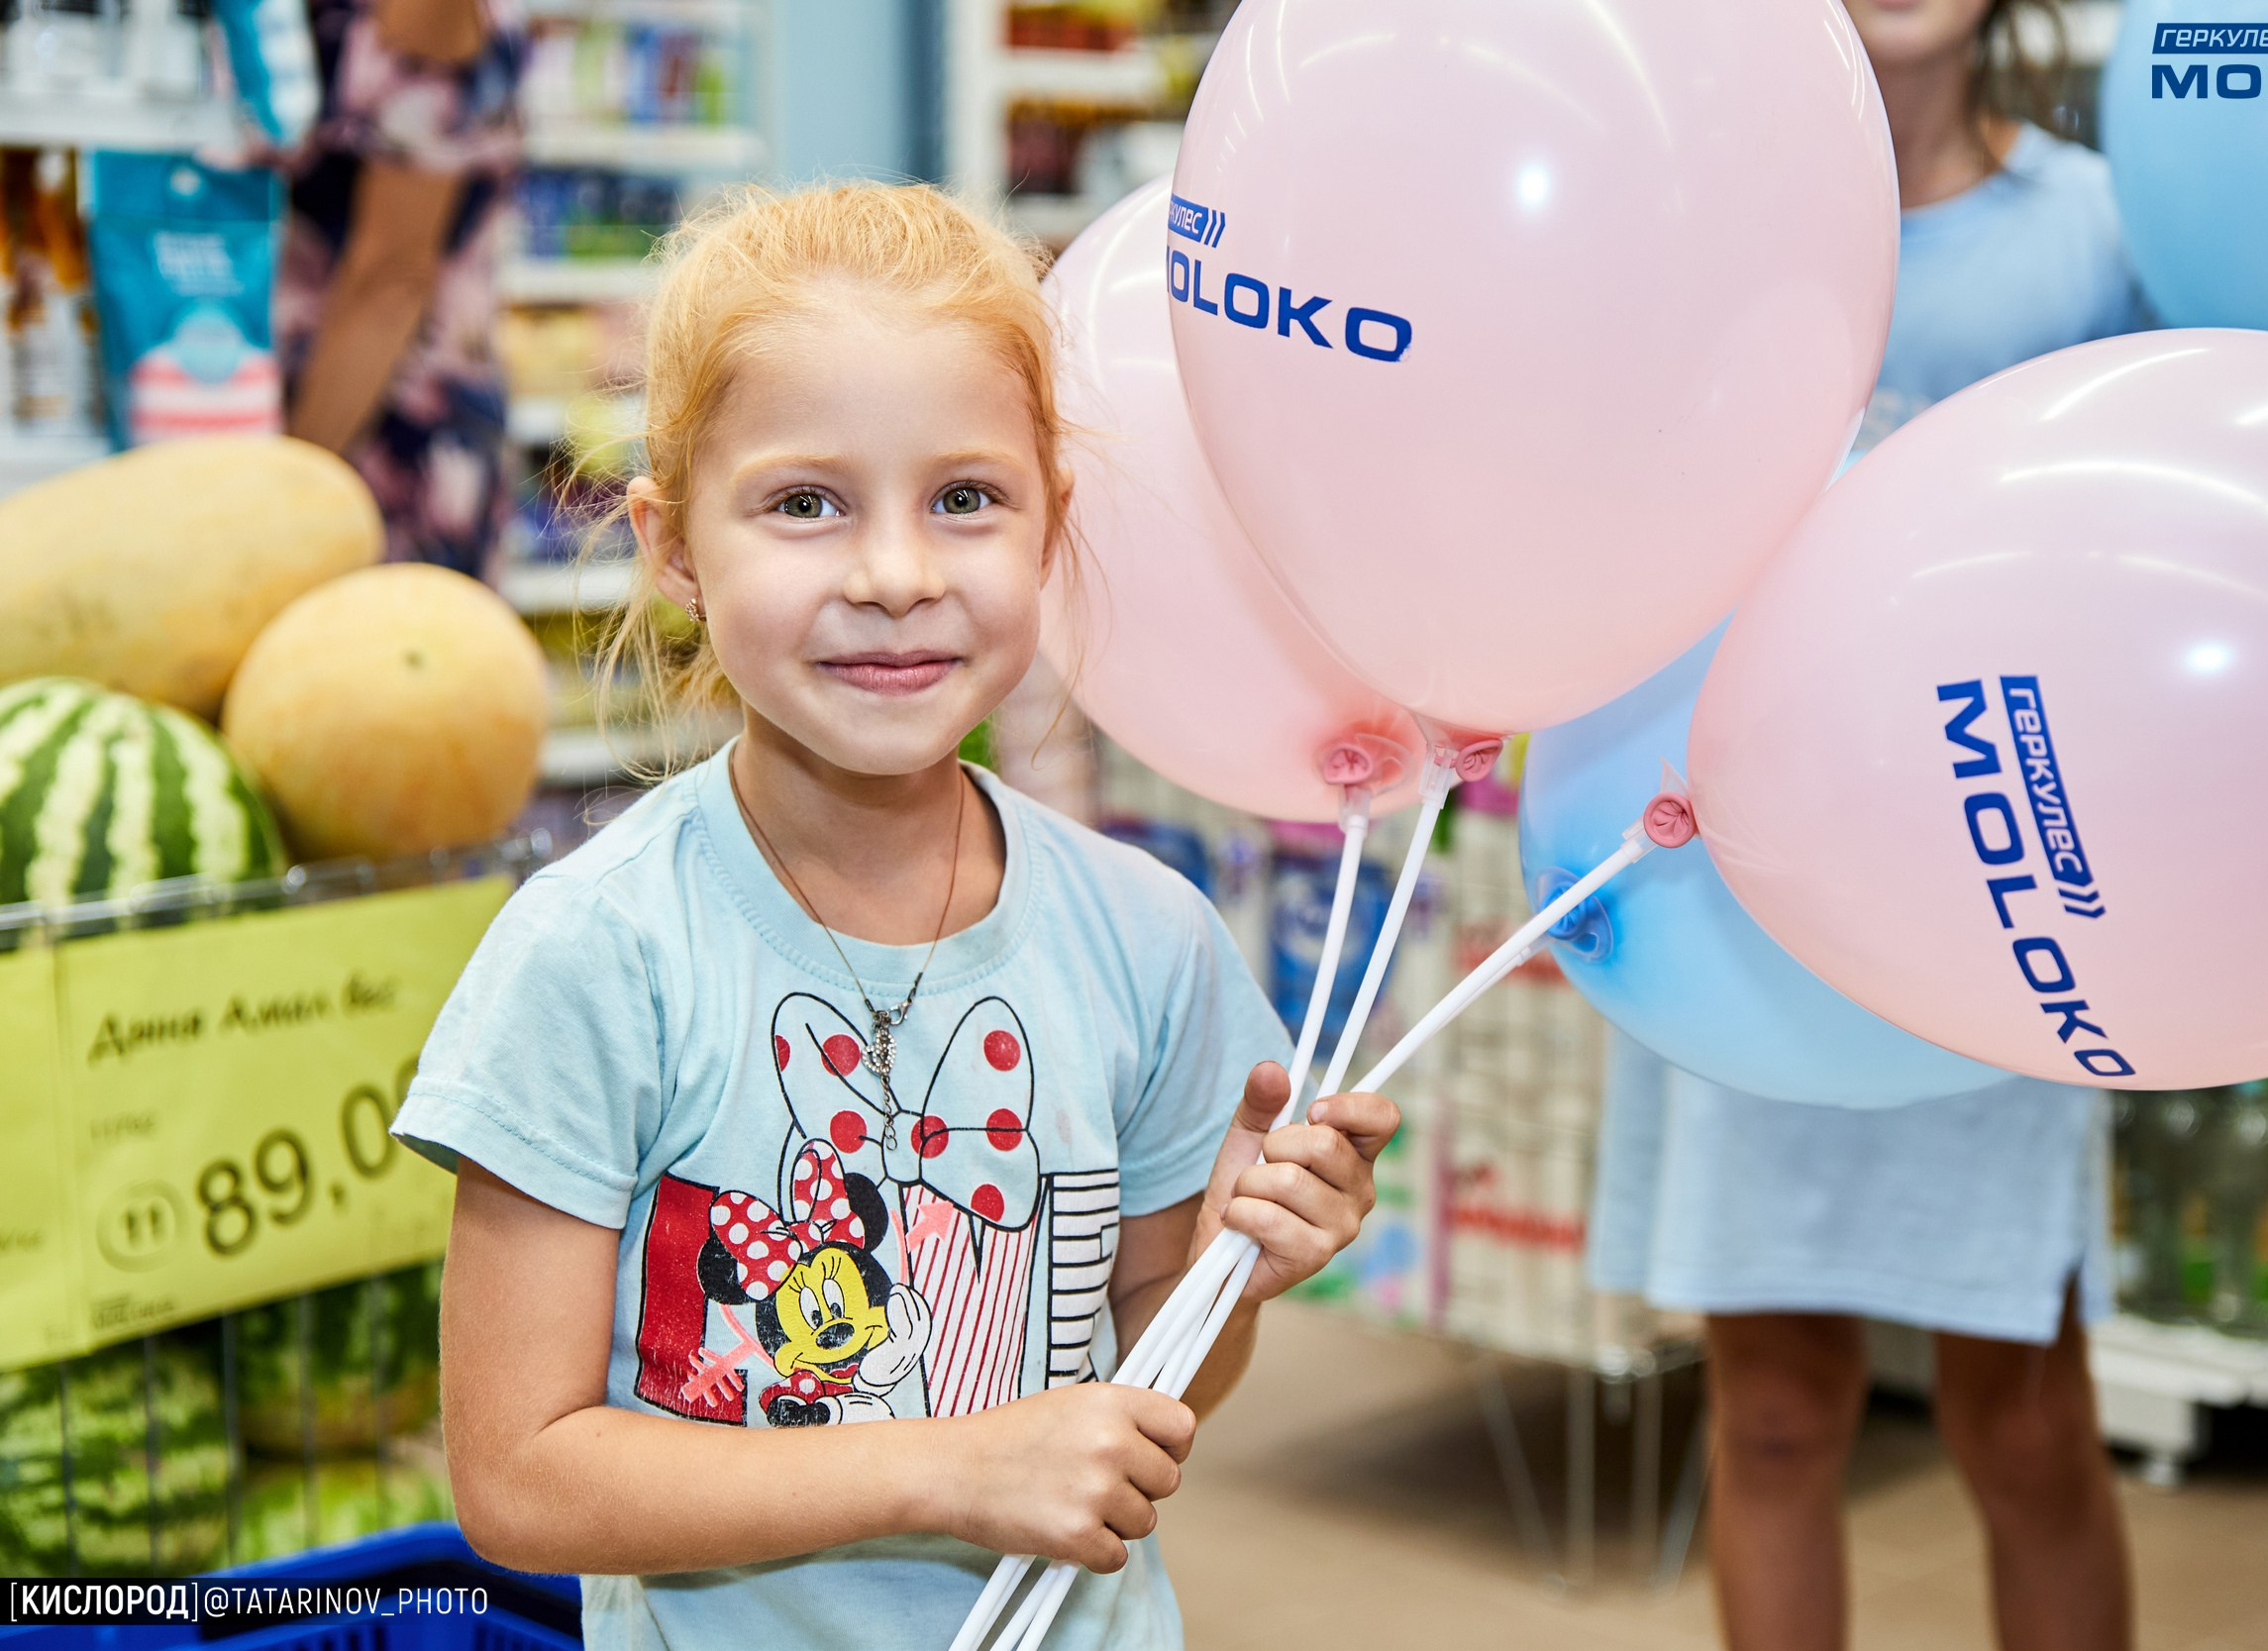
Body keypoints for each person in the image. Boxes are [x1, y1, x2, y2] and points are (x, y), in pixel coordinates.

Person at [390, 182, 1399, 1649]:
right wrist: (951, 1467)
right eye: (805, 502)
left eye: (965, 498)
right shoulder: (596, 951)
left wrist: (1227, 1267)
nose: (895, 575)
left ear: (1052, 517)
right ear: (674, 545)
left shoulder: (1149, 935)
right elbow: (518, 1474)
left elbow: (1144, 1392)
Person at [1588, 5, 2143, 1650]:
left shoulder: (2099, 234)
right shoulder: (1701, 222)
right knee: (1769, 1406)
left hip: (2007, 889)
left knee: (2028, 1411)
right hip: (1729, 892)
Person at [277, 0, 527, 571]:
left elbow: (389, 281)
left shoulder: (426, 17)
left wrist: (286, 493)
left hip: (371, 428)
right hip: (320, 418)